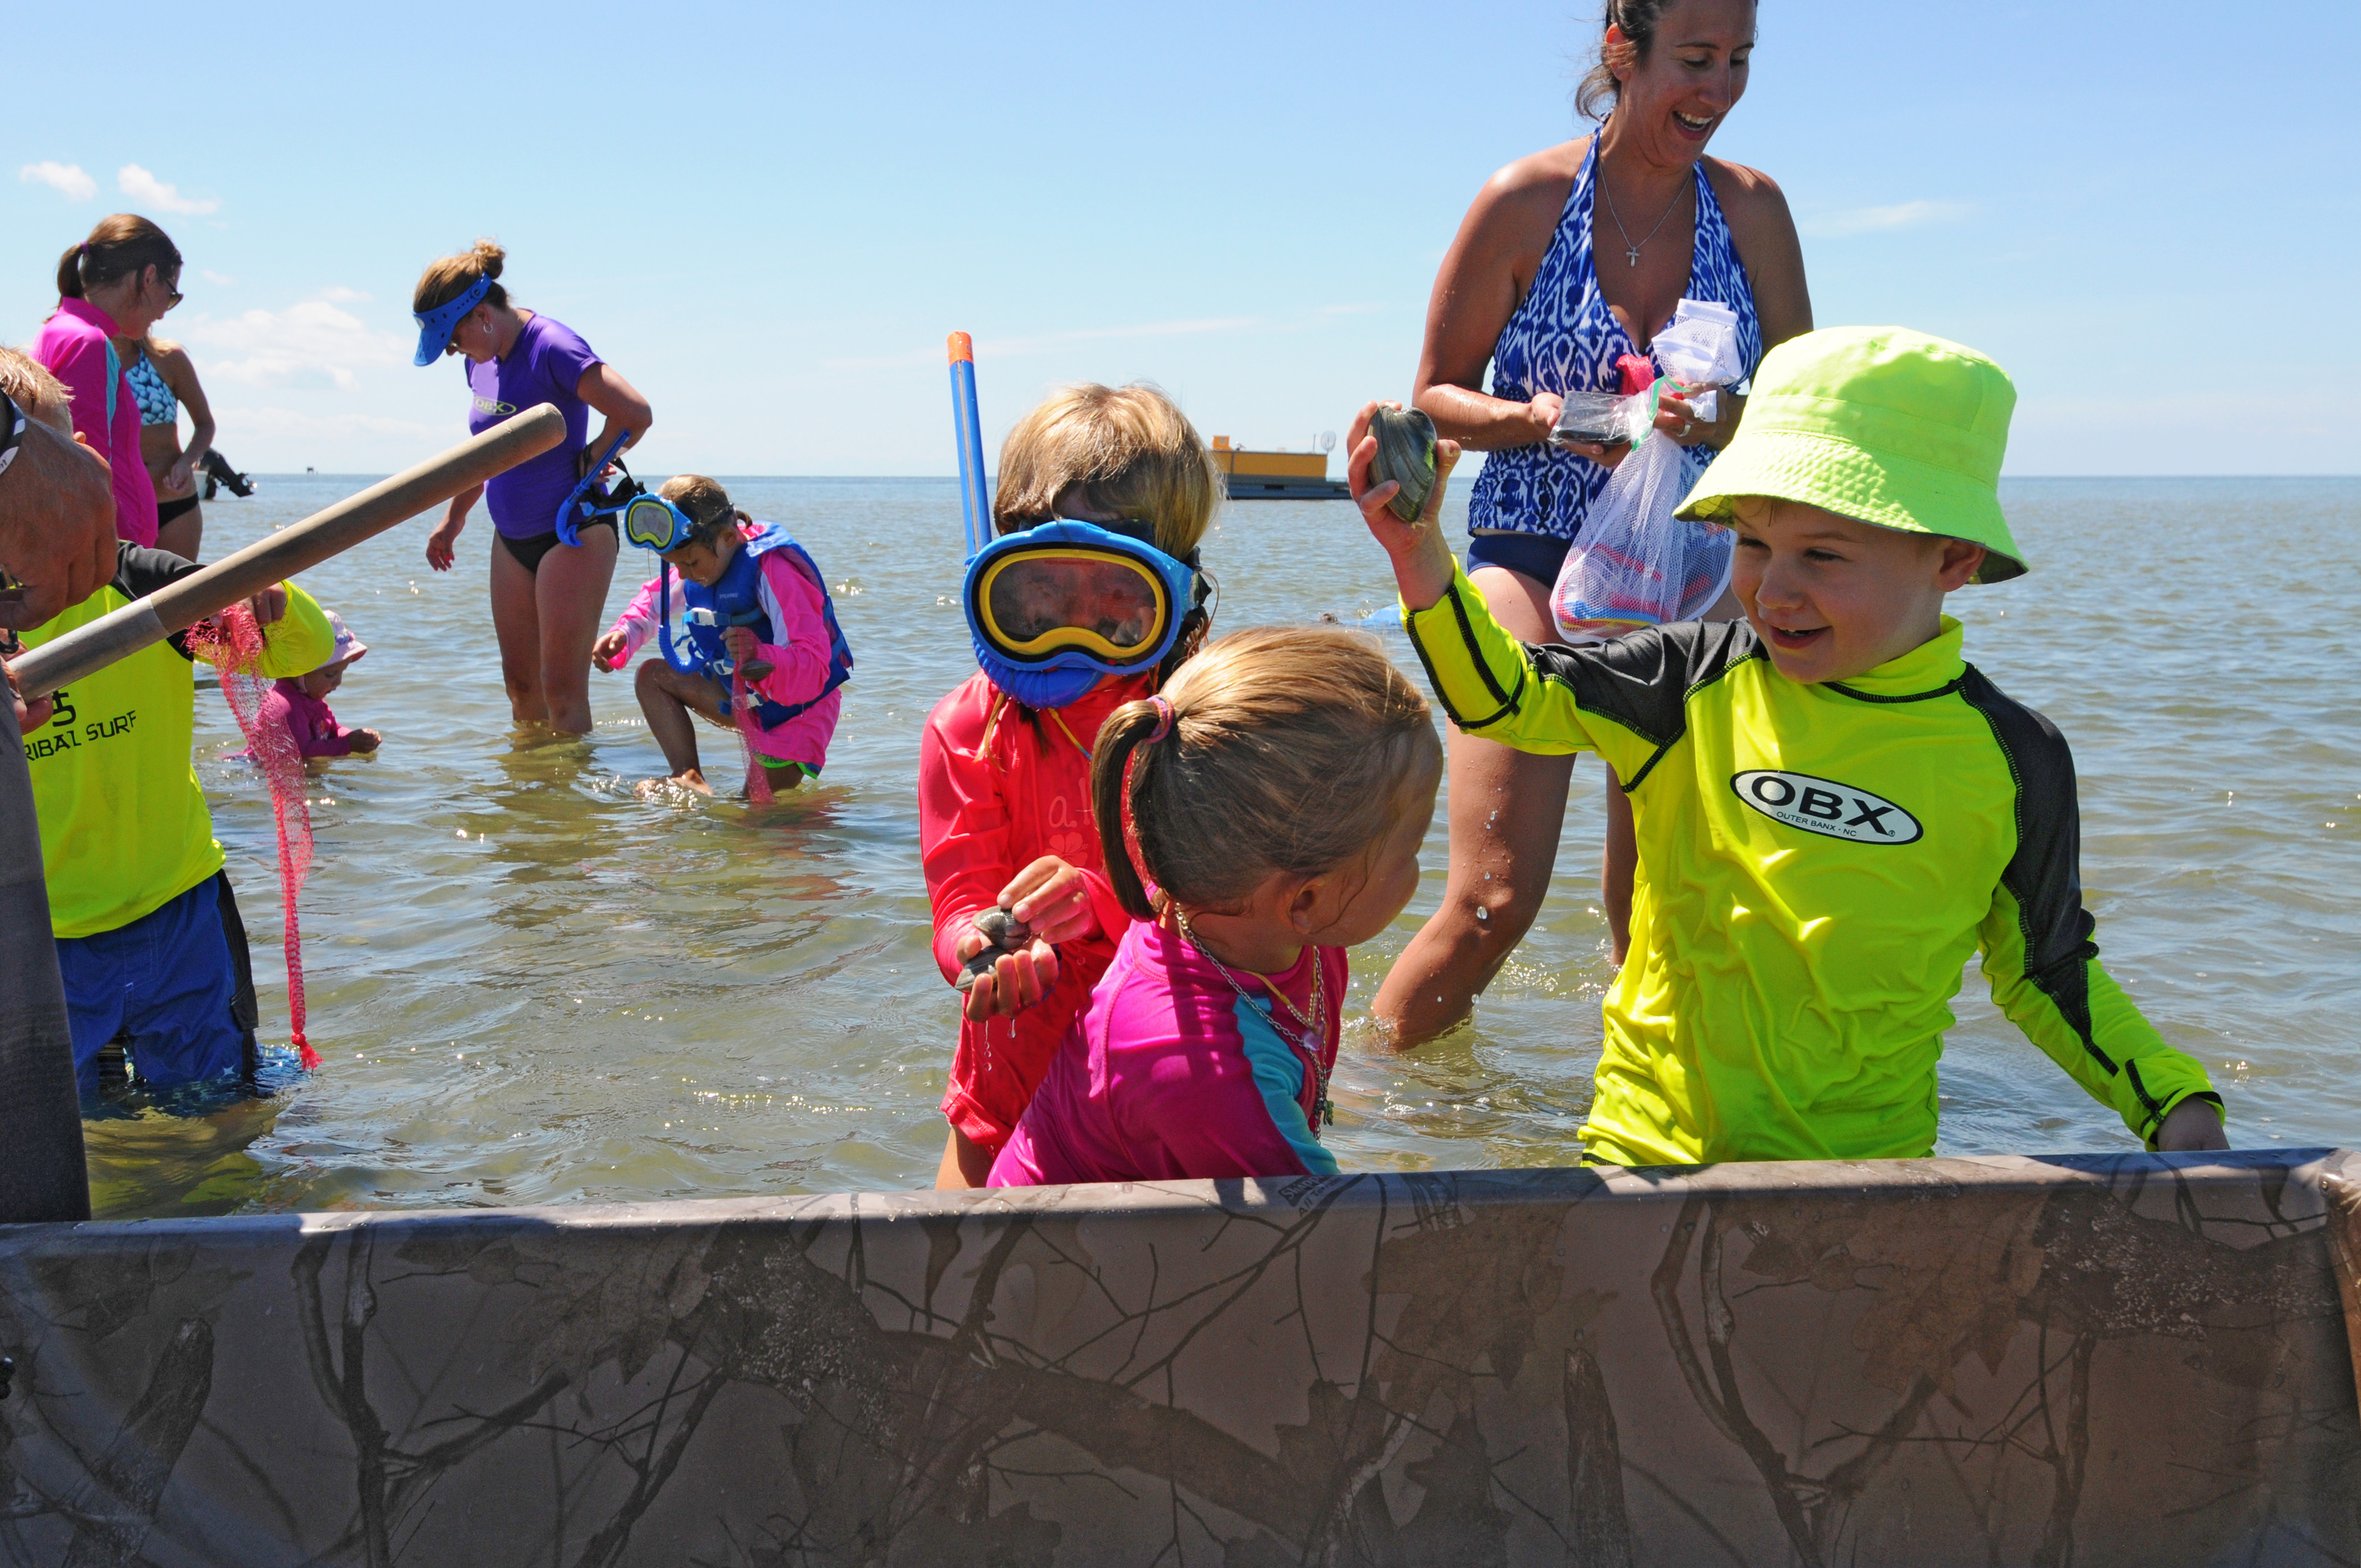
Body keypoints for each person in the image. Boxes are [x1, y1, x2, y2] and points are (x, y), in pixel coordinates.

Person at [1350, 327, 2231, 1166]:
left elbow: (2049, 975)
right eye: (1754, 543)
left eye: (1823, 556)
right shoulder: (1687, 684)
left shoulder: (2011, 757)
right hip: (1642, 1160)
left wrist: (2176, 1105)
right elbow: (1505, 699)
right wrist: (1419, 550)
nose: (1774, 590)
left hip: (1866, 1183)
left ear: (1954, 559)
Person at [1379, 0, 1811, 1045]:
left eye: (1740, 61)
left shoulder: (1752, 210)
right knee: (1490, 906)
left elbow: (1803, 405)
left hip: (1699, 572)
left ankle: (1648, 1154)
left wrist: (1721, 413)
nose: (1717, 90)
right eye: (1696, 59)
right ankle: (1367, 1120)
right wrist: (1547, 417)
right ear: (1623, 49)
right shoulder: (1524, 200)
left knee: (1655, 917)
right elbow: (1435, 394)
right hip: (1529, 557)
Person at [989, 627, 1442, 1186]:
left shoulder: (1241, 914)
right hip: (1060, 1260)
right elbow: (1332, 1243)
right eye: (1413, 846)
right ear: (1306, 898)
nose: (1420, 869)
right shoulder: (1207, 1071)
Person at [920, 384, 1220, 1189]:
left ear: (1177, 586)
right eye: (1044, 588)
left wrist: (1106, 899)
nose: (1073, 624)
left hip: (1170, 1090)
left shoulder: (1203, 716)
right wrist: (980, 950)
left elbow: (1243, 913)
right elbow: (958, 904)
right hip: (1006, 1087)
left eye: (1117, 596)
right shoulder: (966, 727)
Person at [10, 358, 333, 1096]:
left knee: (218, 1111)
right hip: (41, 936)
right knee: (80, 1136)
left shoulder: (143, 589)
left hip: (177, 910)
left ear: (85, 467)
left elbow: (303, 652)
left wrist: (267, 598)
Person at [411, 241, 654, 736]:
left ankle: (570, 812)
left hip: (573, 534)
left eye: (454, 339)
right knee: (521, 687)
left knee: (562, 692)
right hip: (511, 538)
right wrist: (454, 519)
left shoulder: (552, 346)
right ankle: (529, 806)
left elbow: (635, 413)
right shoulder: (476, 363)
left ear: (481, 316)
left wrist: (598, 455)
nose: (454, 351)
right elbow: (487, 448)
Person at [590, 475, 851, 796]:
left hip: (798, 712)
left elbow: (813, 664)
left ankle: (809, 827)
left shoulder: (776, 569)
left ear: (729, 538)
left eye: (690, 563)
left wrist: (760, 654)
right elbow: (654, 601)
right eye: (674, 564)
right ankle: (688, 776)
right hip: (741, 696)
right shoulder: (700, 562)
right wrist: (624, 633)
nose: (683, 574)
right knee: (652, 676)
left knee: (753, 819)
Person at [36, 214, 184, 550]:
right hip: (112, 554)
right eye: (171, 294)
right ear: (148, 278)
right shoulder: (89, 343)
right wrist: (122, 556)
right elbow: (90, 468)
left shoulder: (58, 330)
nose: (163, 313)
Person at [115, 332, 217, 560]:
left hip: (174, 503)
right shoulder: (89, 360)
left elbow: (205, 424)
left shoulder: (168, 358)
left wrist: (185, 463)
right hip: (119, 507)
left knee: (181, 592)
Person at [258, 611, 380, 762]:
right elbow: (302, 751)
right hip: (259, 770)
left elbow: (331, 732)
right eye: (330, 675)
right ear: (300, 670)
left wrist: (355, 737)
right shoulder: (285, 705)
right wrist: (348, 745)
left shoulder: (311, 699)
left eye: (341, 673)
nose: (338, 682)